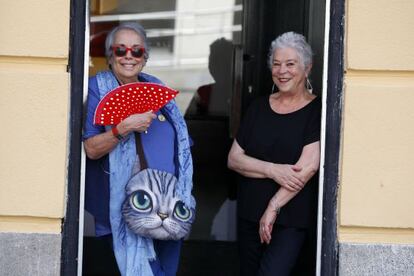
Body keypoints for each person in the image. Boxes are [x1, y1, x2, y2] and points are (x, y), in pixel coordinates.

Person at [83, 22, 194, 276]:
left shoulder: (157, 89)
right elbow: (90, 149)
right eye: (121, 50)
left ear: (145, 57)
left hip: (171, 205)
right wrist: (122, 128)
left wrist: (184, 194)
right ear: (110, 57)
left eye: (137, 51)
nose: (129, 57)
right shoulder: (98, 90)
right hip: (133, 209)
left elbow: (183, 146)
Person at [227, 32, 321, 276]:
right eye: (277, 64)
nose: (282, 71)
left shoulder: (317, 111)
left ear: (307, 68)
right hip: (249, 214)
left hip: (290, 219)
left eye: (291, 64)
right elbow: (234, 159)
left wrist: (273, 206)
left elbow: (307, 166)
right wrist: (273, 170)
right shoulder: (258, 107)